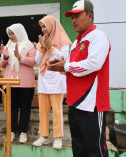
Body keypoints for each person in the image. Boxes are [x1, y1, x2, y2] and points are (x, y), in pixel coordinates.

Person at [48, 0, 111, 156]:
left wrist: (65, 66)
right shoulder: (77, 41)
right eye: (72, 17)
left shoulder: (99, 36)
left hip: (92, 105)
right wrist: (61, 66)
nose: (73, 21)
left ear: (90, 15)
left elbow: (93, 64)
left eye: (77, 16)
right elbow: (72, 67)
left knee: (95, 151)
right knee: (79, 149)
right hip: (75, 104)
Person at [32, 15, 72, 149]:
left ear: (52, 25)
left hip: (57, 79)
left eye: (45, 26)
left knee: (57, 110)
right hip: (44, 78)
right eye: (41, 27)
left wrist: (51, 47)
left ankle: (58, 137)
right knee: (43, 110)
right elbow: (37, 60)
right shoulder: (41, 40)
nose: (43, 29)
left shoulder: (64, 40)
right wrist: (43, 47)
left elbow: (64, 58)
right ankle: (43, 136)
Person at [0, 23, 36, 143]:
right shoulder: (8, 46)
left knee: (25, 108)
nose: (10, 36)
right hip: (10, 82)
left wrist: (20, 57)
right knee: (11, 108)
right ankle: (11, 131)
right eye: (9, 34)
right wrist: (5, 57)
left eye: (13, 33)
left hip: (25, 83)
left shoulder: (29, 45)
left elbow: (33, 62)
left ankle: (23, 132)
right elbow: (1, 64)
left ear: (19, 32)